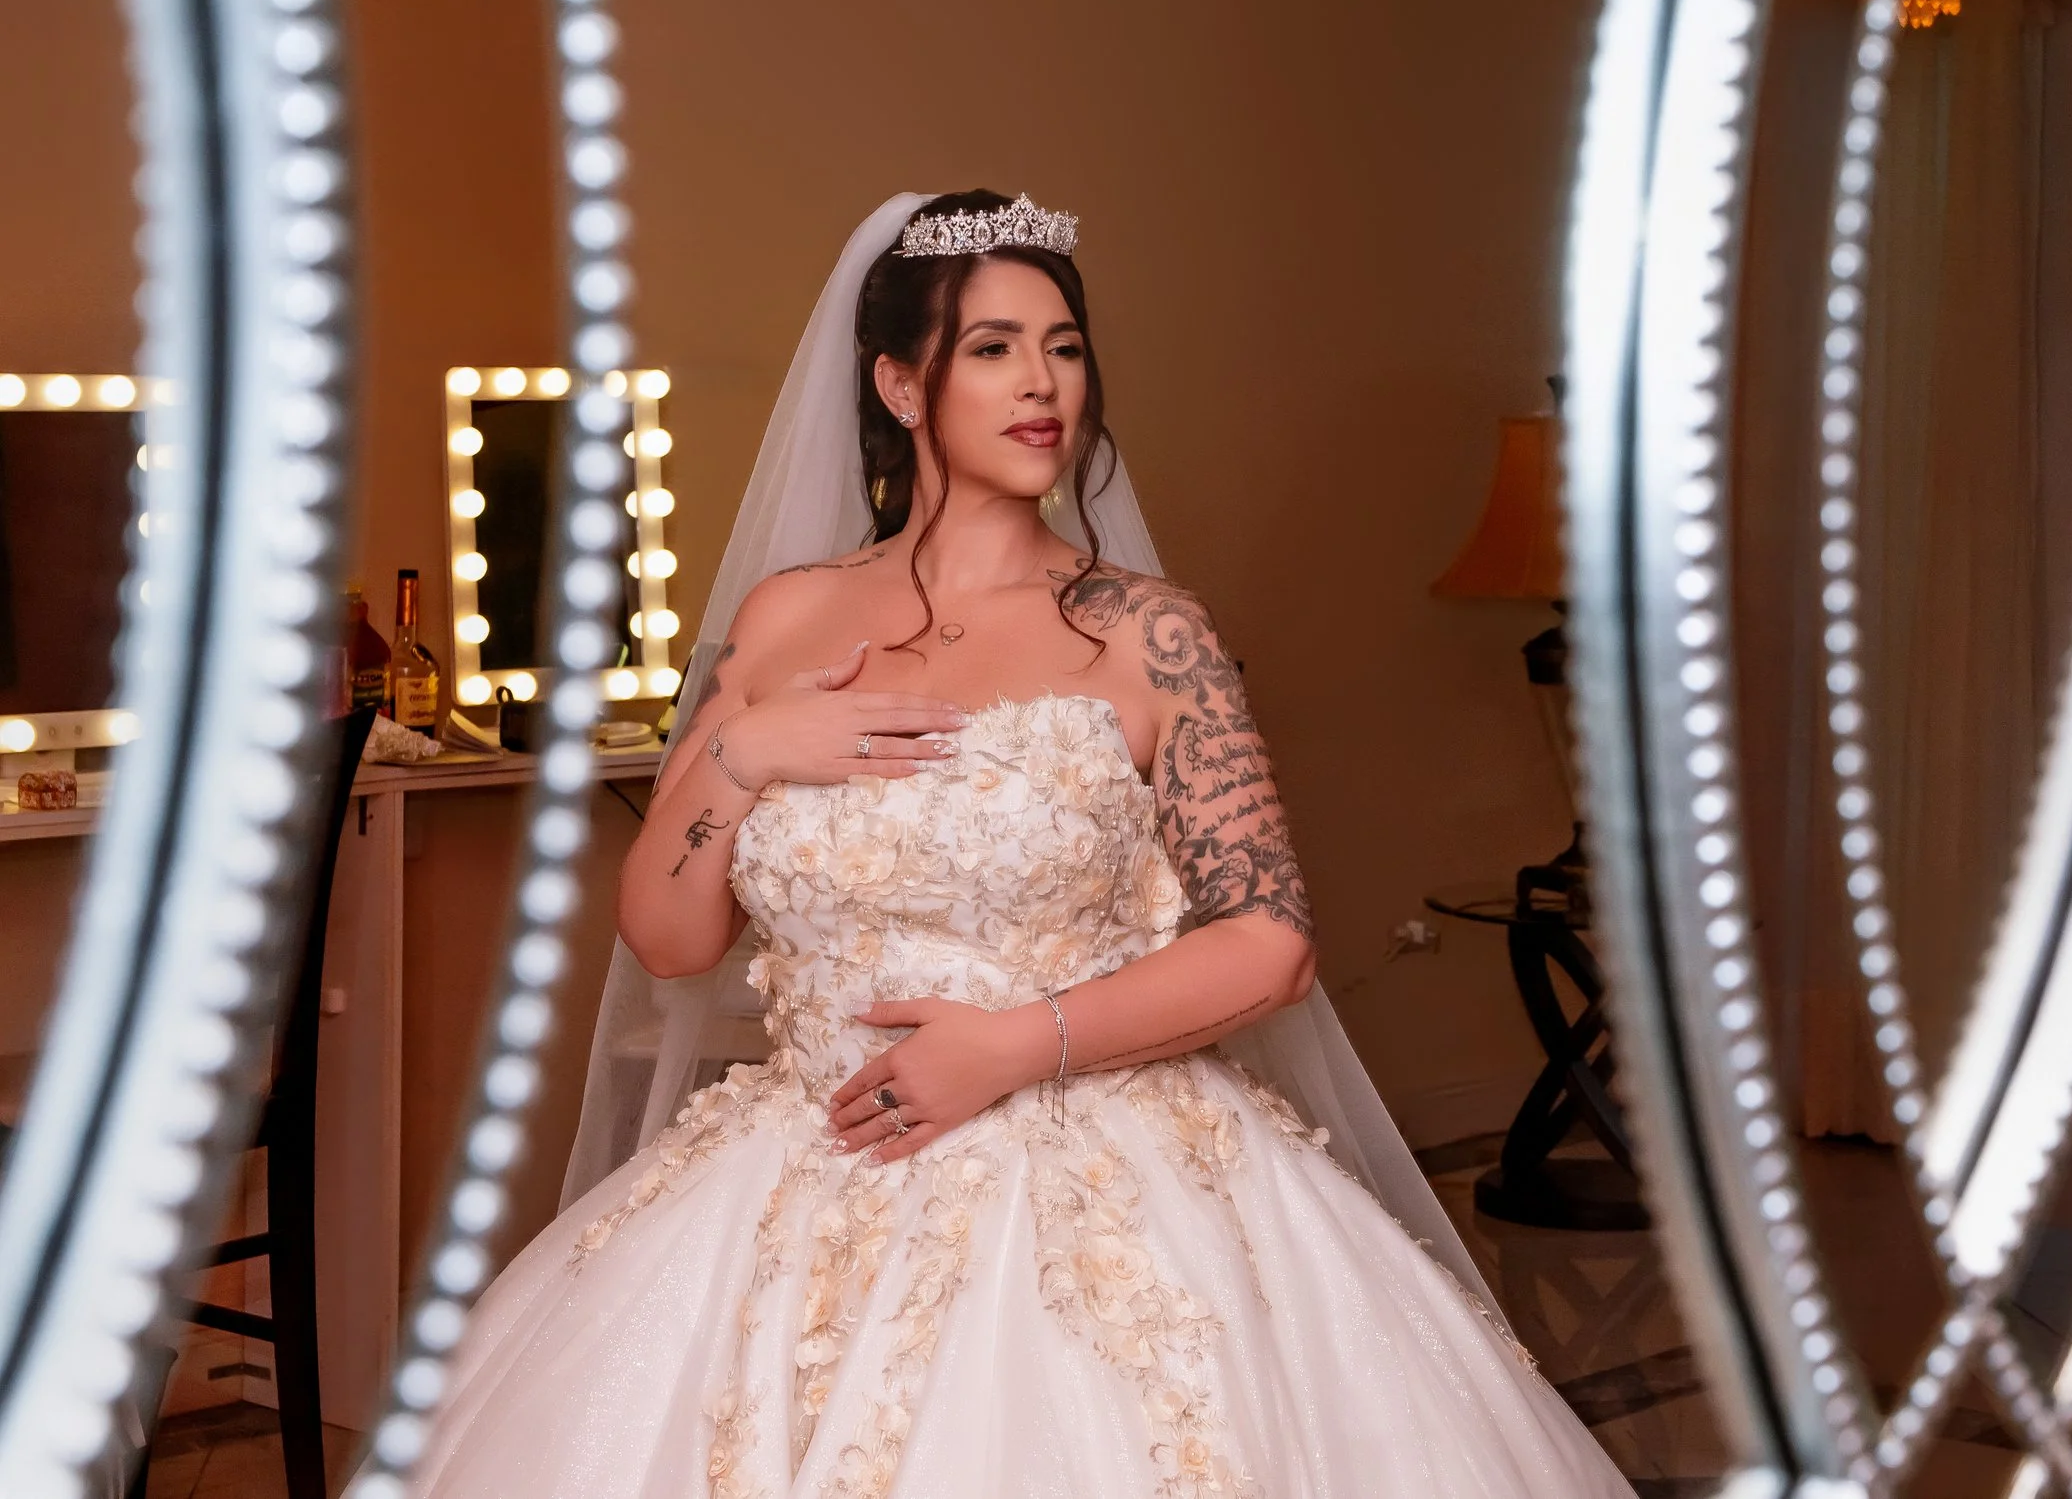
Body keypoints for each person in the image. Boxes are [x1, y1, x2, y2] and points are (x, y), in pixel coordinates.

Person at [402, 191, 1635, 1497]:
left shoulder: (1147, 634)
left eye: (1064, 343)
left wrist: (1008, 1044)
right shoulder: (787, 617)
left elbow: (1268, 942)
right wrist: (749, 751)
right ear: (897, 379)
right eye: (993, 346)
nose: (1043, 382)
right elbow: (667, 929)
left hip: (1097, 1175)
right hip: (804, 1160)